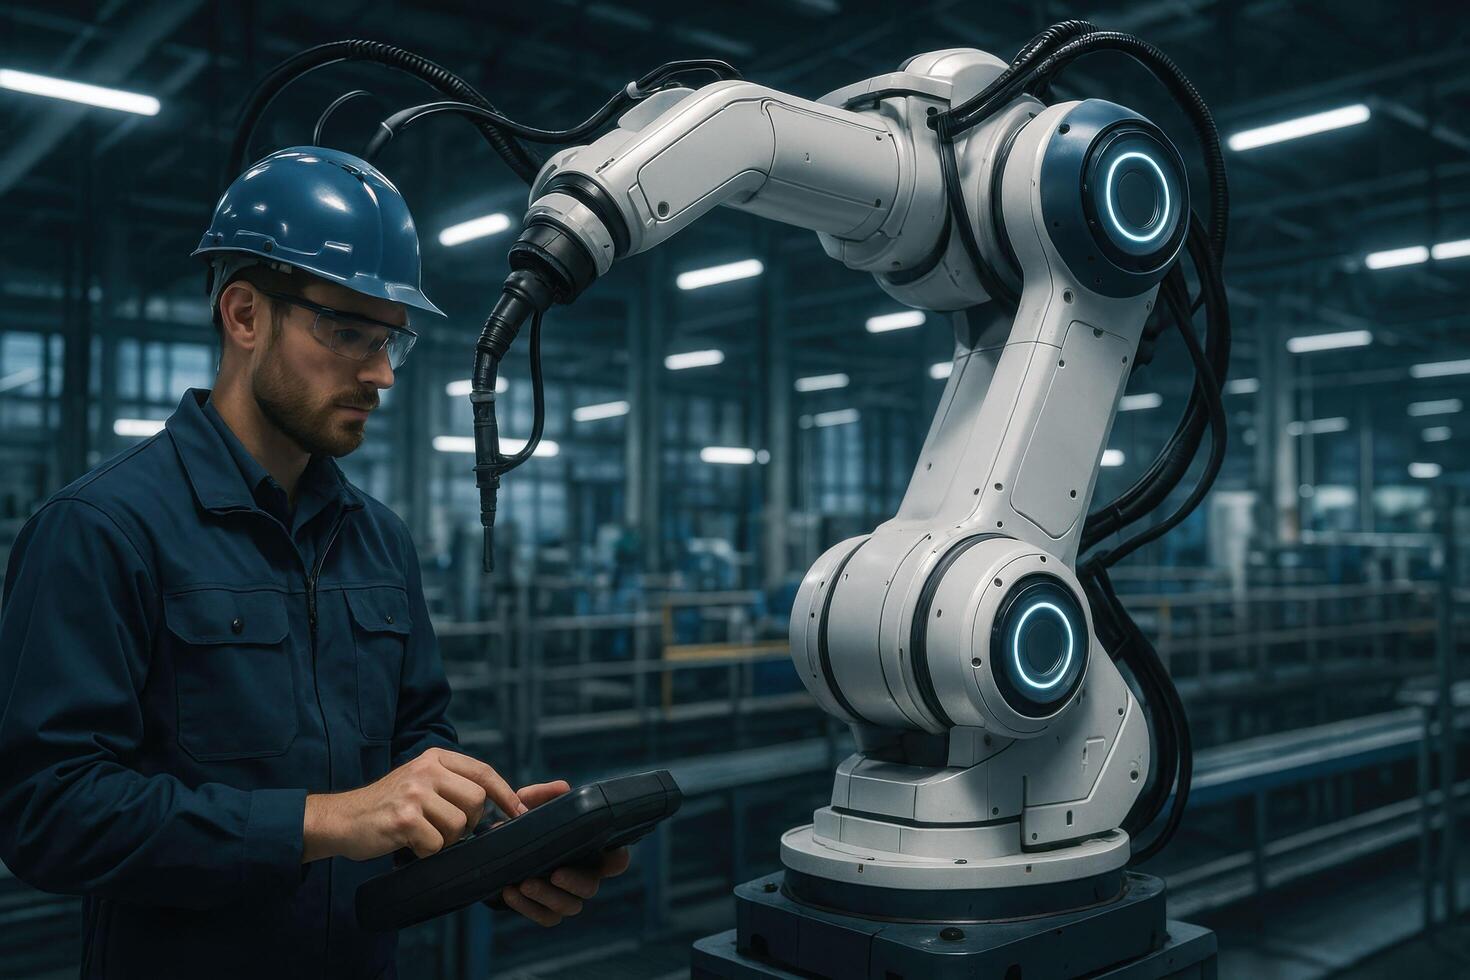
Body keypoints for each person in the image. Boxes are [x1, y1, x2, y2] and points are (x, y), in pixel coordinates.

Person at [0, 146, 627, 978]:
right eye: (345, 331)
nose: (378, 375)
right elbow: (46, 813)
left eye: (390, 342)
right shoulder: (101, 529)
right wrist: (322, 822)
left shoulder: (378, 539)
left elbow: (414, 748)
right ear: (245, 315)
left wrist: (486, 842)